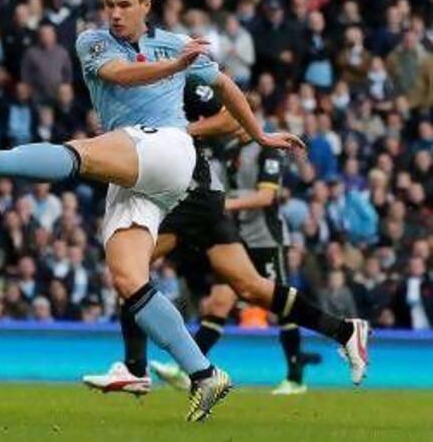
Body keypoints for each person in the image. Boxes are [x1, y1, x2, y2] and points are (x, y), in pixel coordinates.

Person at [0, 0, 304, 421]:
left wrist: (260, 135)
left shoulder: (172, 42)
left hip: (167, 148)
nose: (115, 14)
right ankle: (204, 374)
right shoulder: (93, 42)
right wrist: (178, 66)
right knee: (129, 280)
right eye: (109, 5)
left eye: (125, 5)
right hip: (133, 167)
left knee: (80, 154)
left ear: (146, 5)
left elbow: (225, 86)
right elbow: (124, 76)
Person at [81, 87, 370, 396]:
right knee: (249, 288)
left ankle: (135, 368)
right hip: (199, 198)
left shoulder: (182, 77)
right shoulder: (147, 91)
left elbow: (231, 119)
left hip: (194, 197)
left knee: (130, 268)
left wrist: (179, 132)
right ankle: (345, 330)